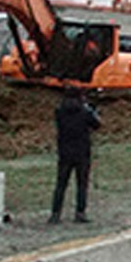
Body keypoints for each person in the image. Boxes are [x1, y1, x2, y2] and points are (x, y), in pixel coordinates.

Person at [50, 86, 101, 224]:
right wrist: (92, 109)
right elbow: (97, 124)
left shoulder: (60, 112)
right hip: (82, 152)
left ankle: (55, 213)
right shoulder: (85, 112)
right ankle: (80, 212)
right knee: (82, 184)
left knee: (61, 184)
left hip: (64, 152)